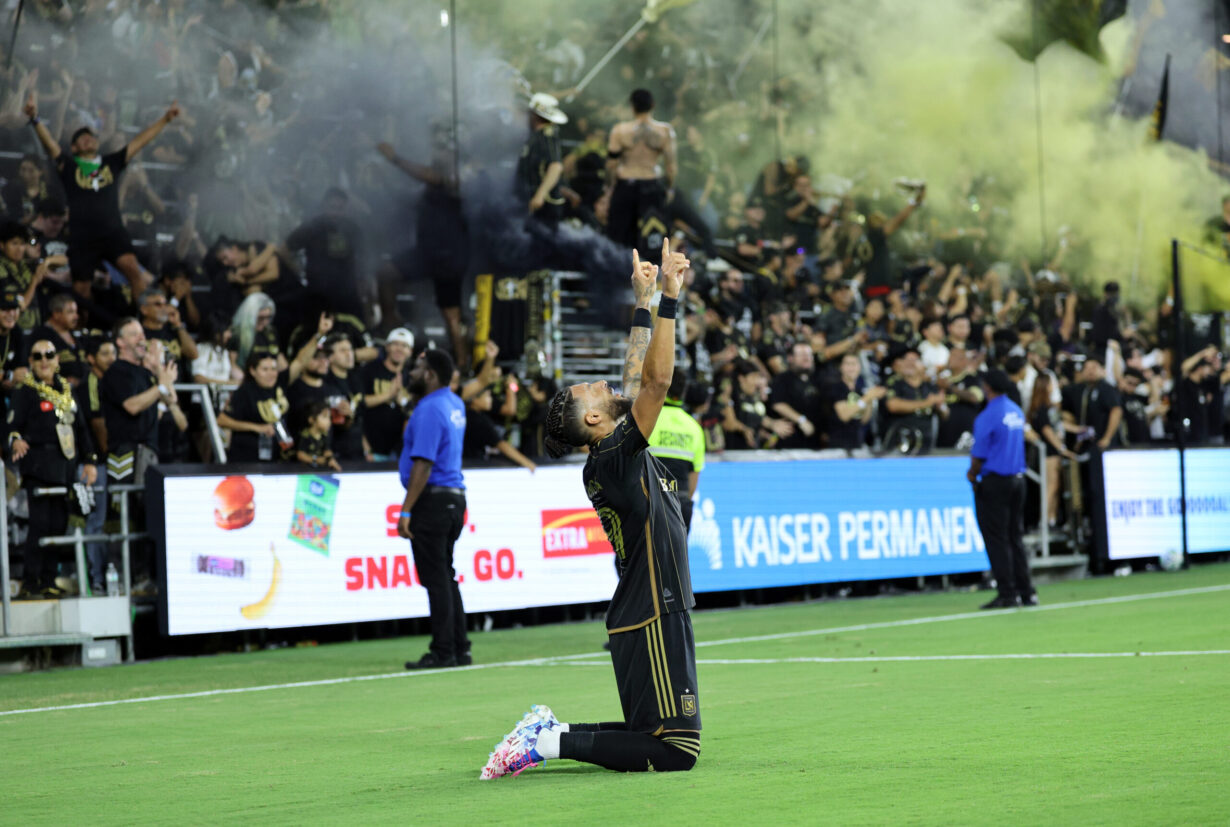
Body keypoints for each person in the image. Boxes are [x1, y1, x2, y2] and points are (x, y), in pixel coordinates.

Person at [484, 241, 699, 778]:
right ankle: (546, 743)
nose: (604, 384)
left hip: (649, 605)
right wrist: (670, 297)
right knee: (674, 749)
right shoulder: (611, 458)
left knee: (656, 737)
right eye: (593, 391)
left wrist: (644, 301)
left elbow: (632, 381)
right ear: (596, 422)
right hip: (651, 606)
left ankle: (545, 733)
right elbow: (656, 382)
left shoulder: (611, 449)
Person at [25, 92, 181, 292]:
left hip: (112, 231)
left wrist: (165, 120)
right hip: (82, 236)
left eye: (91, 137)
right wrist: (35, 119)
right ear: (74, 147)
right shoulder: (70, 166)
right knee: (81, 288)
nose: (88, 139)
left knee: (134, 271)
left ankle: (142, 318)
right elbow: (50, 145)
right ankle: (82, 322)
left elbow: (139, 142)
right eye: (82, 138)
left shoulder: (111, 163)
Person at [7, 340, 98, 598]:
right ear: (31, 363)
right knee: (40, 524)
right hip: (38, 464)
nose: (44, 361)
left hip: (65, 466)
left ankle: (48, 579)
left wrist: (90, 460)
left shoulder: (67, 393)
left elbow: (82, 429)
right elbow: (12, 423)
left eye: (49, 355)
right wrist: (16, 439)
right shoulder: (25, 392)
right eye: (37, 357)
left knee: (59, 523)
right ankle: (31, 581)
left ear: (57, 360)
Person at [397, 349, 470, 670]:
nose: (411, 373)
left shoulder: (428, 409)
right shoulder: (454, 403)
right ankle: (459, 647)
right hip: (455, 497)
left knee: (437, 579)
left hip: (433, 500)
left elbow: (423, 464)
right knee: (446, 575)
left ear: (429, 374)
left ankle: (443, 651)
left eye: (417, 368)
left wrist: (407, 510)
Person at [967, 369, 1035, 609]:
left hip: (996, 480)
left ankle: (1007, 592)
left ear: (987, 387)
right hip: (1018, 478)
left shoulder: (988, 415)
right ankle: (1027, 591)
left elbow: (979, 454)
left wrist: (972, 474)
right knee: (1015, 536)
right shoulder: (1015, 410)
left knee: (997, 538)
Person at [604, 89, 675, 251]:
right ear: (653, 105)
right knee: (652, 235)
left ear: (632, 107)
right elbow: (671, 167)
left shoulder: (620, 130)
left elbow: (611, 165)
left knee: (619, 237)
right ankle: (650, 274)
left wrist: (609, 188)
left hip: (626, 184)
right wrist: (670, 188)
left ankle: (619, 272)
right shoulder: (665, 131)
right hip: (652, 185)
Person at [647, 367, 706, 530]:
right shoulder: (694, 428)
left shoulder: (647, 421)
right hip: (680, 506)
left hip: (648, 504)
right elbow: (693, 483)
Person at [217, 352, 292, 463]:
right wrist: (258, 428)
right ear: (252, 371)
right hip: (247, 460)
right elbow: (222, 420)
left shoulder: (279, 388)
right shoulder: (244, 392)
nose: (270, 373)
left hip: (276, 458)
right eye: (265, 369)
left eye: (273, 369)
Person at [361, 327, 414, 461]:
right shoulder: (370, 370)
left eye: (404, 346)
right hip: (370, 450)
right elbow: (359, 402)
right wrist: (388, 395)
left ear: (410, 351)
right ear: (387, 347)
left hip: (400, 452)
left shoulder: (413, 377)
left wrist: (403, 402)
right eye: (395, 344)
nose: (399, 349)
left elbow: (415, 412)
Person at [294, 399, 341, 471]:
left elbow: (327, 450)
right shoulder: (305, 436)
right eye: (325, 417)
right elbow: (300, 455)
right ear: (312, 419)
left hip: (318, 470)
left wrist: (330, 459)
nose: (329, 421)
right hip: (303, 470)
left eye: (329, 417)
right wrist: (316, 460)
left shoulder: (324, 436)